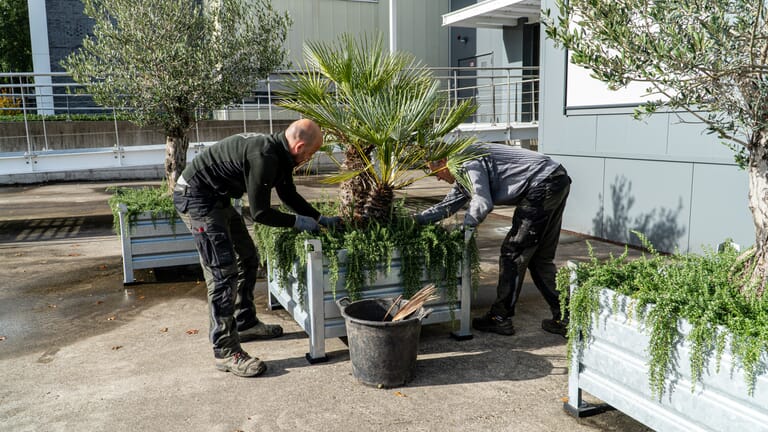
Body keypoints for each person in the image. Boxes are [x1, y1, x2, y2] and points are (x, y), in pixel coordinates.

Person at [173, 119, 339, 377]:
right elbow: (260, 213)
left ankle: (245, 321)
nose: (310, 158)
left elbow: (288, 196)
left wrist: (319, 219)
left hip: (216, 197)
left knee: (248, 257)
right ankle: (225, 350)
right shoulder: (264, 156)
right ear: (299, 146)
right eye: (311, 152)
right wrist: (297, 222)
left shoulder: (280, 155)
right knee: (222, 273)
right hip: (196, 197)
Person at [415, 143, 571, 337]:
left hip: (542, 184)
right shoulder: (463, 176)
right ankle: (567, 317)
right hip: (555, 179)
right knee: (540, 259)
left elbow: (482, 202)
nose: (437, 178)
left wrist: (466, 229)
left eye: (436, 172)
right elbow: (446, 207)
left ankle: (500, 318)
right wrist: (413, 221)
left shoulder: (467, 160)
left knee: (513, 253)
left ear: (446, 162)